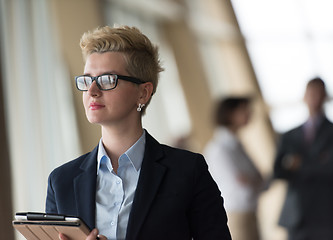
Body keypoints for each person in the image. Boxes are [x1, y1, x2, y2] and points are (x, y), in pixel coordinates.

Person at [45, 26, 231, 240]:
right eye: (87, 80)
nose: (92, 91)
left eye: (107, 80)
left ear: (143, 93)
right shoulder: (61, 181)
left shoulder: (188, 171)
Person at [273, 77, 333, 240]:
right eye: (311, 93)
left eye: (319, 93)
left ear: (325, 96)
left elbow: (330, 169)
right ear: (304, 96)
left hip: (327, 214)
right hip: (297, 215)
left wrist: (297, 164)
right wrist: (317, 162)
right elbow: (278, 171)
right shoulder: (289, 135)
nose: (314, 98)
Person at [203, 97, 264, 240]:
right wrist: (252, 180)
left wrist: (253, 180)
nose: (250, 113)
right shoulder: (219, 148)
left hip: (249, 212)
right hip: (236, 215)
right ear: (230, 114)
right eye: (244, 109)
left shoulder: (236, 144)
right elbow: (242, 182)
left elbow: (259, 178)